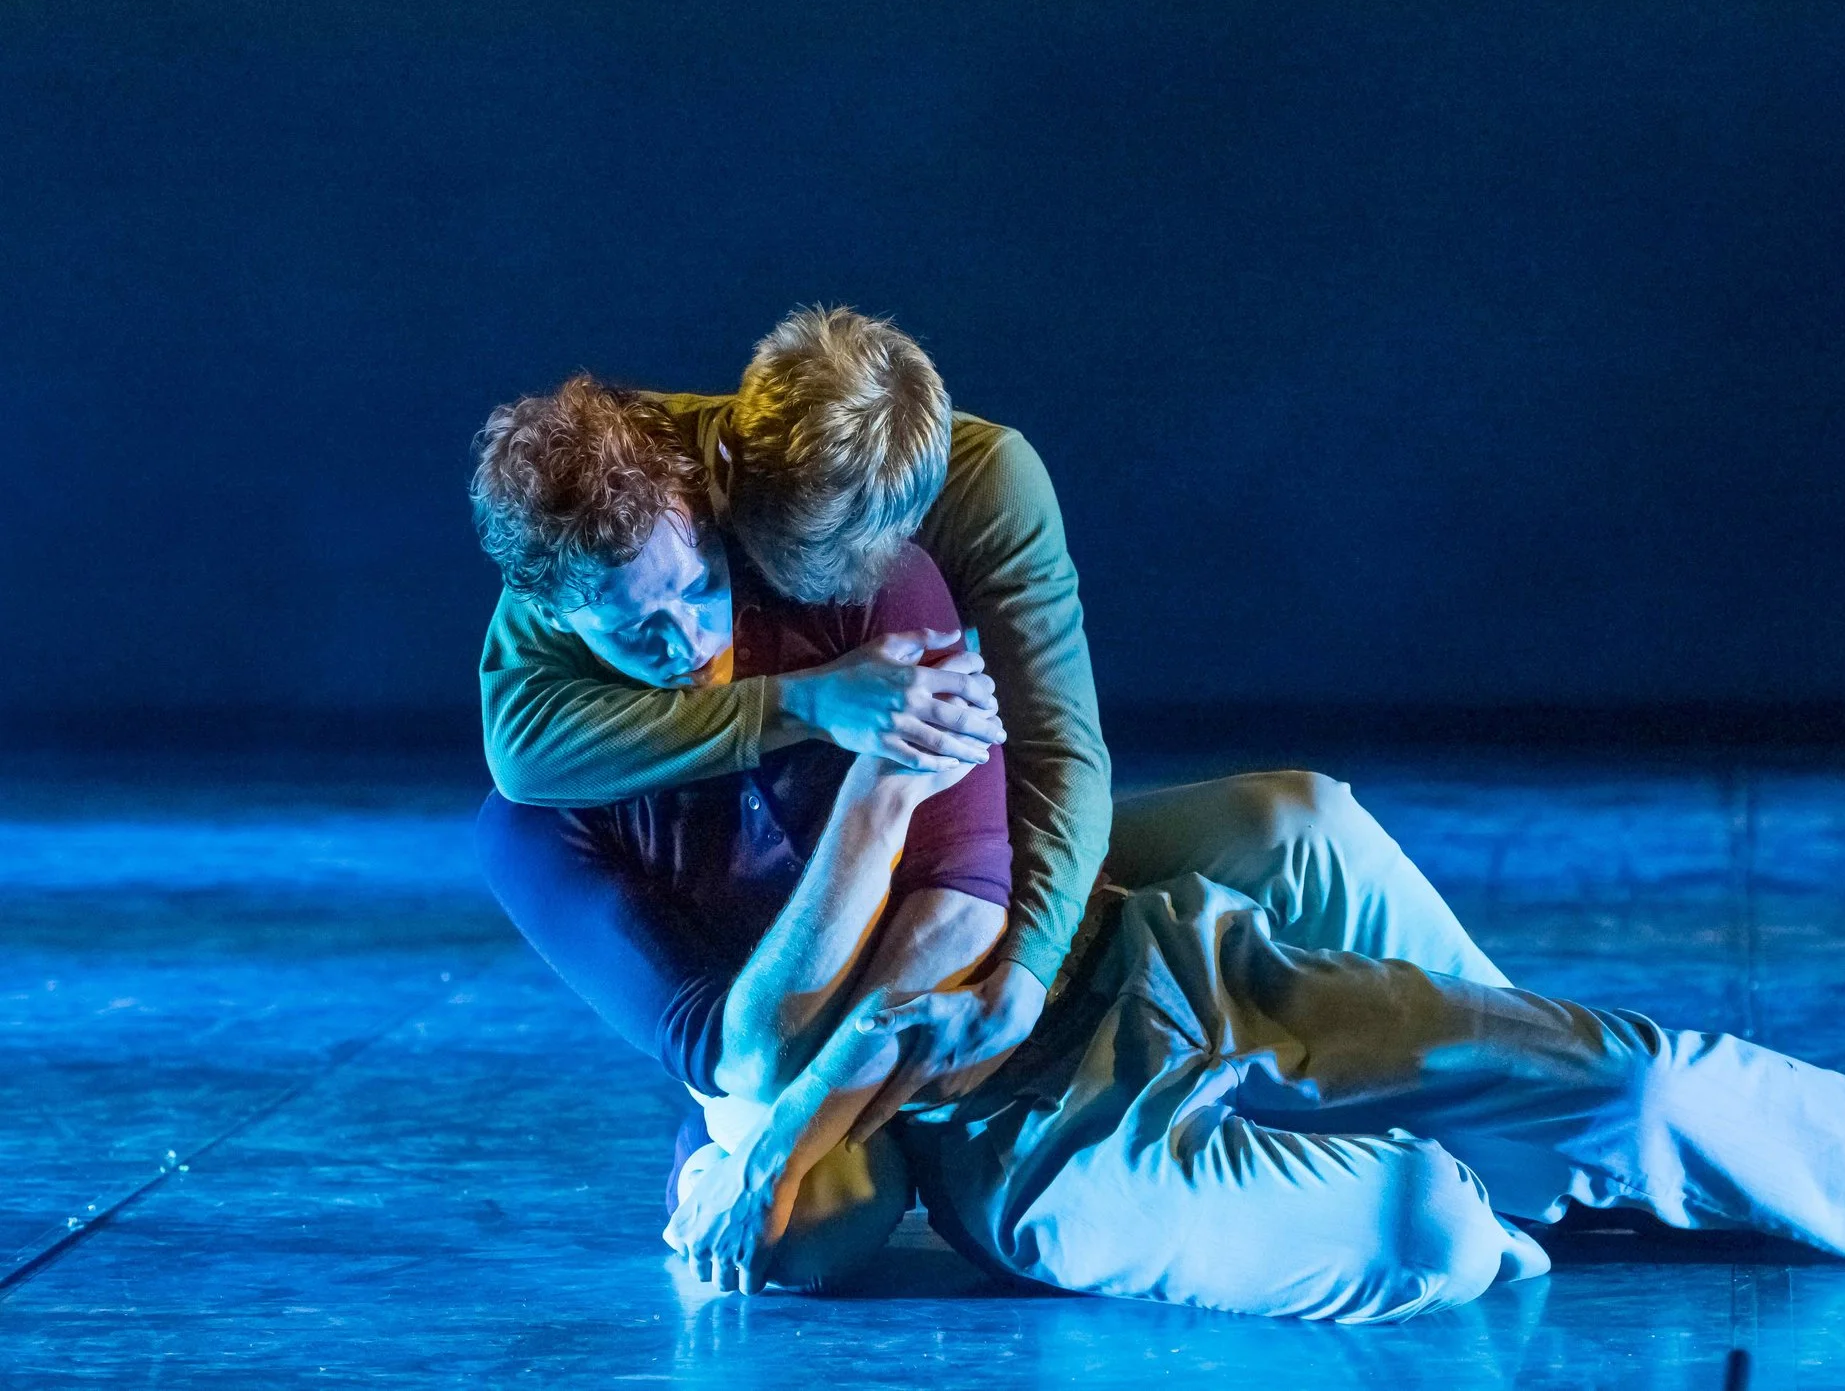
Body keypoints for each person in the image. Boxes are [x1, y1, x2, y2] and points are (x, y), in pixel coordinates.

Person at [468, 377, 1845, 1325]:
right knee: (1418, 1226)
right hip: (995, 1129)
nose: (692, 638)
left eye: (697, 588)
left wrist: (948, 902)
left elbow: (1010, 845)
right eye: (636, 625)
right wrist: (856, 774)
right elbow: (740, 1047)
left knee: (1627, 1075)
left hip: (1127, 957)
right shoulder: (545, 788)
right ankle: (1529, 1183)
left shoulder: (876, 558)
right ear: (551, 619)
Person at [476, 308, 1504, 1125]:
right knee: (816, 1186)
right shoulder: (638, 492)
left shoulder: (988, 486)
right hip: (800, 912)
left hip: (962, 853)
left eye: (869, 555)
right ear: (732, 478)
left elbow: (1060, 754)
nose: (847, 587)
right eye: (794, 550)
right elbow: (521, 746)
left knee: (1302, 826)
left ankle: (1516, 1094)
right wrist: (799, 702)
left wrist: (1024, 964)